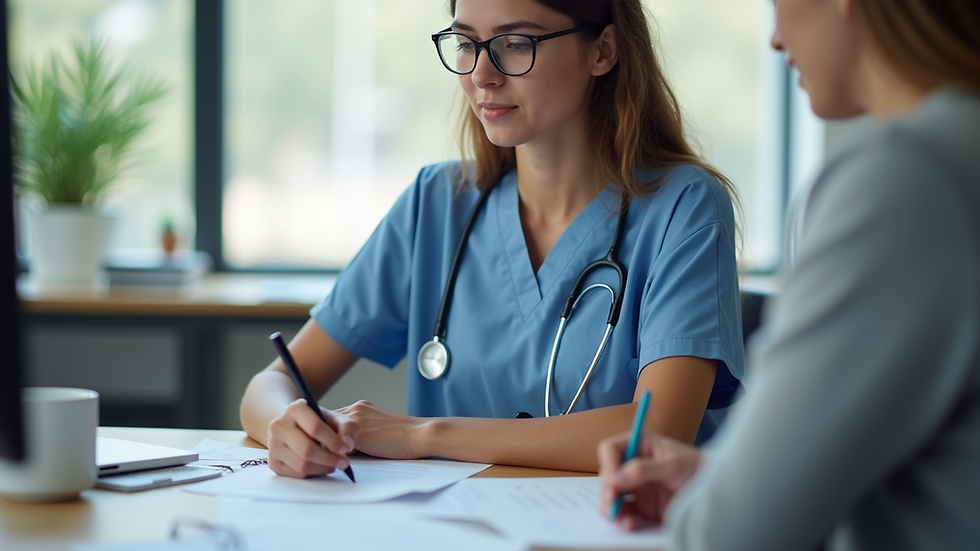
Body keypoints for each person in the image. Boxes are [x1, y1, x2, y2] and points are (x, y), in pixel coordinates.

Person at [241, 0, 745, 477]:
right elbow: (271, 383)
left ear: (603, 50)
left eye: (516, 43)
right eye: (466, 42)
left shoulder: (684, 207)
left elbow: (658, 431)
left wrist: (423, 435)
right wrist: (287, 426)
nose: (482, 73)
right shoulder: (437, 203)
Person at [597, 0, 980, 549]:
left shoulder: (905, 180)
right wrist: (716, 477)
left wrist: (722, 498)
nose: (775, 39)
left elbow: (735, 532)